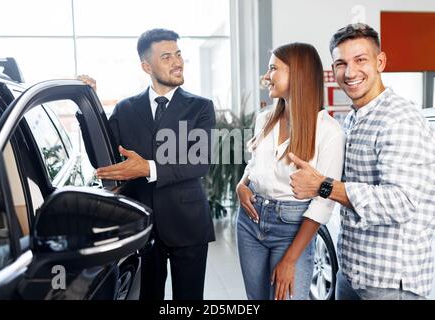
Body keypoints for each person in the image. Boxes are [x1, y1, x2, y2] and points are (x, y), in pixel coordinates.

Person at [288, 23, 435, 300]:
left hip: (391, 283)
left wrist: (323, 186)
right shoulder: (355, 118)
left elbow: (402, 201)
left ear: (380, 62)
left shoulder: (399, 119)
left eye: (360, 60)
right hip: (354, 274)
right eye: (341, 63)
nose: (350, 72)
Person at [95, 28, 216, 300]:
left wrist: (147, 168)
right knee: (149, 295)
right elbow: (105, 158)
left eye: (178, 54)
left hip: (188, 224)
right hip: (144, 224)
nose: (177, 62)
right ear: (146, 66)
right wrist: (89, 104)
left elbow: (199, 162)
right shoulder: (126, 108)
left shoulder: (200, 107)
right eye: (166, 57)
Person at [236, 42, 345, 300]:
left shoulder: (330, 132)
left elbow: (322, 205)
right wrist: (242, 184)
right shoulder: (264, 119)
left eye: (273, 68)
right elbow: (254, 165)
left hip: (293, 228)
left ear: (297, 74)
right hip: (250, 222)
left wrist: (290, 260)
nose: (266, 76)